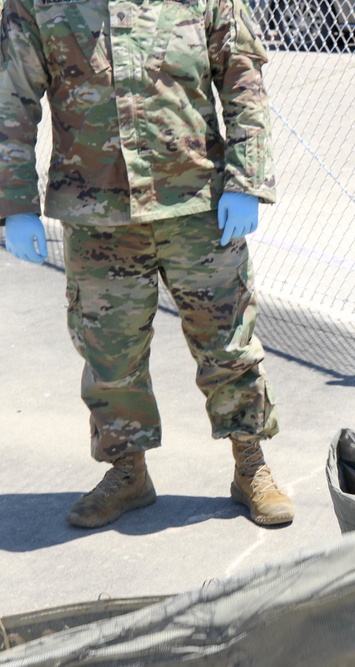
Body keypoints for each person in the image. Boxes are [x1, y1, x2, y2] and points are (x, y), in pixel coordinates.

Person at [0, 0, 294, 528]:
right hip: (97, 214)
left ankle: (250, 463)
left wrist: (247, 181)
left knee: (228, 342)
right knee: (110, 354)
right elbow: (10, 102)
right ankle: (127, 473)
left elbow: (242, 78)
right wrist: (14, 205)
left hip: (198, 205)